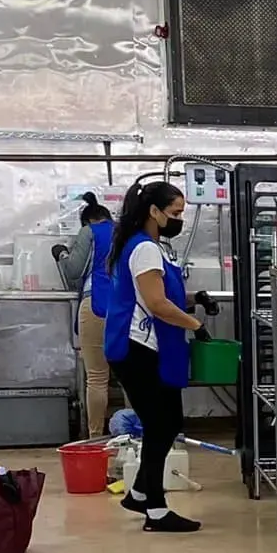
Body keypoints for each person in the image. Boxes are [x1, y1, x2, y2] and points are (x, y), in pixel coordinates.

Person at [103, 179, 202, 533]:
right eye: (175, 212)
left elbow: (158, 296)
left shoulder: (148, 247)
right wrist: (196, 325)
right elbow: (157, 304)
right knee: (160, 424)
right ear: (154, 212)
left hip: (145, 347)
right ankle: (155, 511)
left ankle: (140, 492)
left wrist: (195, 299)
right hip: (136, 348)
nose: (179, 219)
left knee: (169, 421)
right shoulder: (145, 249)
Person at [55, 192, 115, 438]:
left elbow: (73, 271)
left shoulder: (89, 232)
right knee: (131, 376)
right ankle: (134, 436)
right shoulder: (131, 233)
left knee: (97, 378)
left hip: (97, 304)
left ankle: (96, 438)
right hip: (129, 308)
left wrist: (61, 254)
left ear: (87, 220)